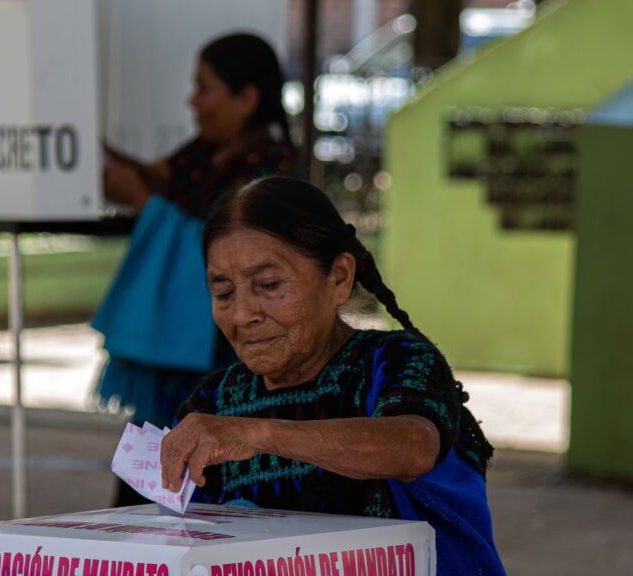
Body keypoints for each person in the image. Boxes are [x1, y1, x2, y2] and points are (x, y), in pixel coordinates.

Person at [159, 176, 505, 575]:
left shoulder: (396, 361)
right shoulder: (214, 401)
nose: (242, 314)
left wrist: (257, 433)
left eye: (269, 285)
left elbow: (413, 448)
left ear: (339, 277)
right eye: (223, 293)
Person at [92, 33, 300, 505]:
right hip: (176, 362)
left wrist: (141, 201)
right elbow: (157, 177)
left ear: (246, 98)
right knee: (147, 482)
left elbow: (229, 247)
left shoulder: (270, 168)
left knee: (198, 479)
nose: (193, 101)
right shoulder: (205, 152)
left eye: (204, 88)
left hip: (219, 357)